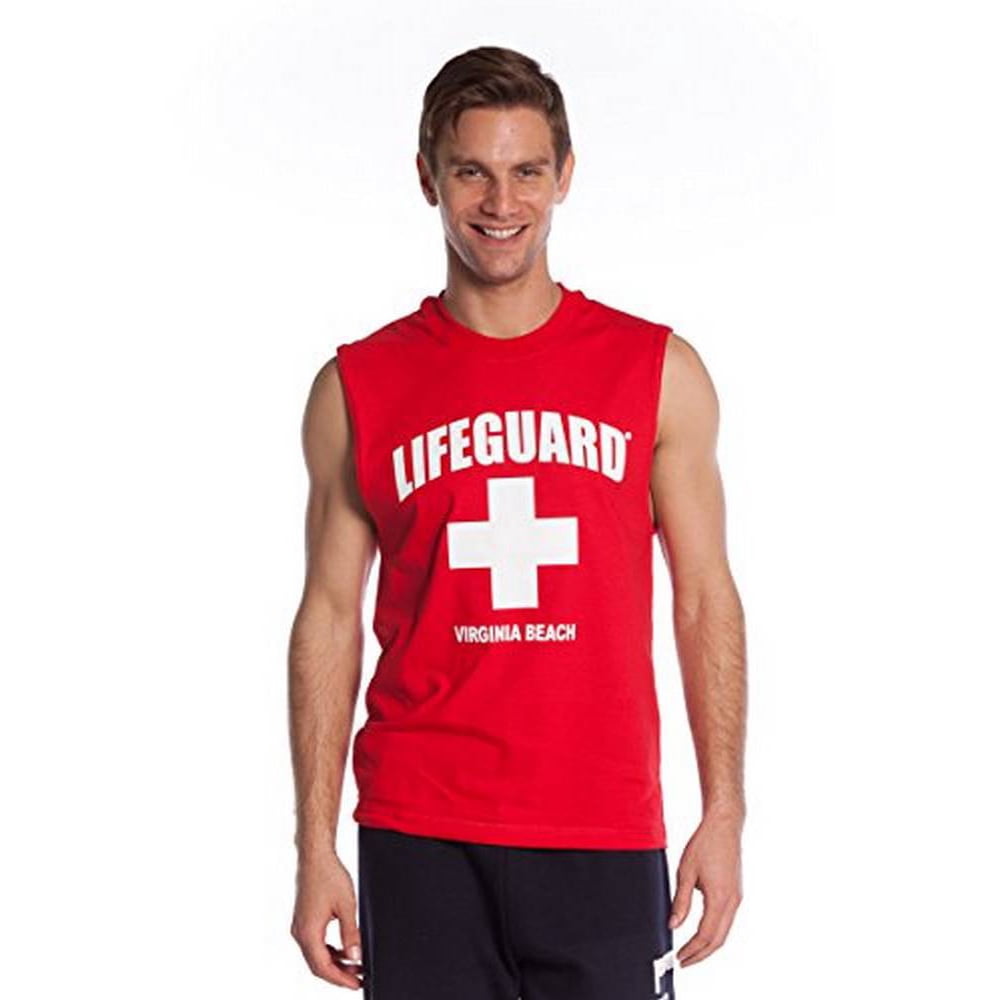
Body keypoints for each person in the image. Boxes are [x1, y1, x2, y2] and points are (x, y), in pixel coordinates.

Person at [288, 45, 746, 999]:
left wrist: (725, 810)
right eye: (472, 172)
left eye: (527, 171)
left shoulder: (657, 372)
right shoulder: (357, 388)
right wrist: (314, 846)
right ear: (429, 178)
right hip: (419, 831)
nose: (502, 202)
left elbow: (705, 597)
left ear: (564, 176)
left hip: (603, 828)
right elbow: (328, 616)